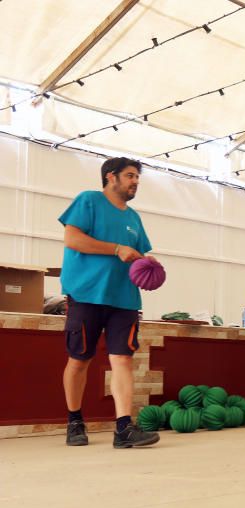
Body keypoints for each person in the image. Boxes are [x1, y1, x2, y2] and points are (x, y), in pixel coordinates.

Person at [60, 157, 160, 449]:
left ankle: (123, 428)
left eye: (137, 178)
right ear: (111, 177)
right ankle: (75, 422)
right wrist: (116, 249)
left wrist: (148, 264)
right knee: (80, 359)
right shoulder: (88, 201)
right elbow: (72, 239)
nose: (135, 182)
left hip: (124, 299)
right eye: (130, 176)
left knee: (123, 360)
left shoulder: (134, 218)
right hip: (86, 294)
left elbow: (137, 255)